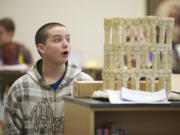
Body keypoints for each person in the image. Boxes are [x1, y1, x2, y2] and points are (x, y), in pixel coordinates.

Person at [3, 22, 93, 135]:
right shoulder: (20, 88)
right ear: (41, 48)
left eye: (68, 39)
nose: (66, 44)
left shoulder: (85, 82)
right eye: (57, 40)